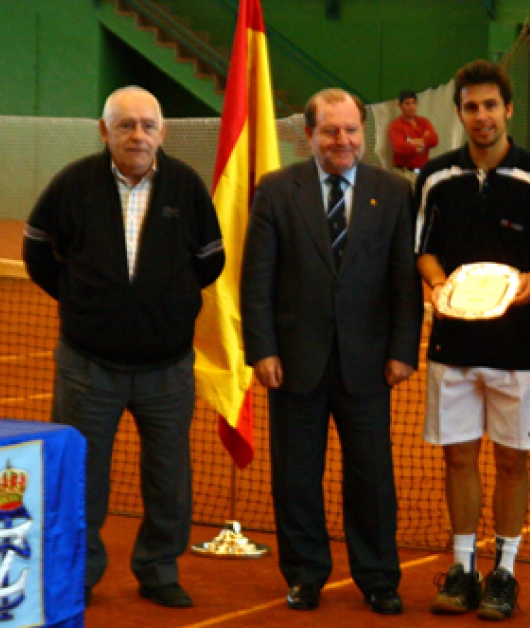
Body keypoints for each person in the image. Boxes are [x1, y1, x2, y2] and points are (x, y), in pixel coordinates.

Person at [23, 86, 225, 609]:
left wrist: (166, 305)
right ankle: (80, 571)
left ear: (164, 132)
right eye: (126, 125)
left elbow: (210, 260)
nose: (138, 135)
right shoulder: (73, 184)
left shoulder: (186, 185)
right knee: (81, 477)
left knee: (169, 480)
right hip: (87, 366)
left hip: (168, 369)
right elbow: (37, 250)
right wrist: (84, 301)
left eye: (148, 125)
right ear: (104, 130)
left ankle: (158, 570)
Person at [240, 88, 423, 616]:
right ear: (309, 135)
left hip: (368, 363)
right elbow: (258, 280)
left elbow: (403, 282)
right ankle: (304, 574)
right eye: (330, 131)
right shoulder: (276, 189)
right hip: (294, 361)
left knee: (372, 477)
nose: (342, 141)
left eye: (350, 131)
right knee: (296, 477)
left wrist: (402, 350)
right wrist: (263, 350)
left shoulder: (391, 192)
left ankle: (378, 578)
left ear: (363, 133)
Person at [415, 59, 530, 621]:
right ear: (459, 113)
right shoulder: (435, 176)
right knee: (458, 459)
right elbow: (423, 248)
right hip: (452, 349)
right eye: (470, 107)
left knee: (513, 462)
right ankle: (463, 569)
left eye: (490, 106)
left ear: (507, 110)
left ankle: (505, 572)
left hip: (520, 352)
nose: (480, 116)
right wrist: (438, 285)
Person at [388, 88, 439, 179]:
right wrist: (422, 143)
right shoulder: (395, 125)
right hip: (404, 173)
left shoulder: (424, 122)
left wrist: (410, 141)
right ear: (400, 105)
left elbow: (434, 140)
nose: (411, 107)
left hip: (423, 171)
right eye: (407, 103)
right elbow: (399, 147)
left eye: (413, 103)